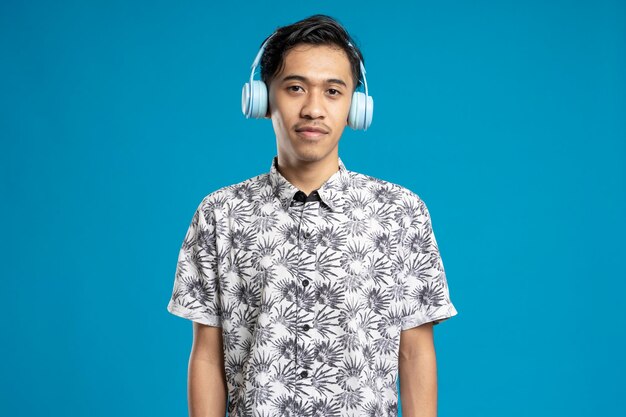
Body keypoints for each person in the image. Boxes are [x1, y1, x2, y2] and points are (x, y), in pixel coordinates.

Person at [166, 14, 458, 417]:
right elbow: (207, 357)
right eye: (295, 88)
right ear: (263, 99)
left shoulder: (402, 213)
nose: (313, 109)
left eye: (333, 91)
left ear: (356, 107)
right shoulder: (220, 215)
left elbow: (415, 353)